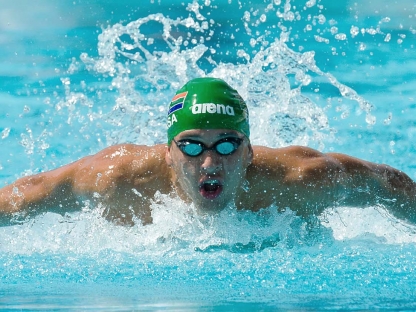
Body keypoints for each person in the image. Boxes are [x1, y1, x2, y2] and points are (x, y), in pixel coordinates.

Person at [0, 77, 415, 226]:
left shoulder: (299, 179)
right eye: (192, 146)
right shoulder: (117, 179)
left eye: (228, 144)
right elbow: (23, 196)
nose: (210, 162)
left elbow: (388, 182)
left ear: (250, 151)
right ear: (168, 152)